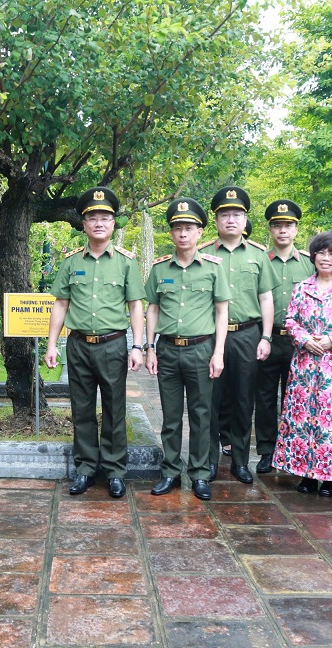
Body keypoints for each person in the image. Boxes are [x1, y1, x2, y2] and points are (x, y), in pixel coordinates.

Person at [45, 186, 145, 499]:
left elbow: (136, 306)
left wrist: (138, 346)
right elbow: (60, 304)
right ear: (84, 224)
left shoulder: (127, 263)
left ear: (114, 223)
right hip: (77, 346)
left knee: (115, 408)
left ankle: (115, 472)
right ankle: (86, 469)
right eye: (92, 218)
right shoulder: (71, 262)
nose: (98, 223)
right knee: (82, 408)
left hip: (113, 344)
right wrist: (51, 345)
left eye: (105, 217)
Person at [273, 230, 332, 496]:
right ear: (314, 256)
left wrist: (331, 340)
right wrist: (304, 339)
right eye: (321, 253)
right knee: (303, 419)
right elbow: (290, 321)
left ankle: (331, 478)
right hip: (305, 365)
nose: (326, 258)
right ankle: (305, 474)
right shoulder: (301, 288)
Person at [145, 198, 228, 501]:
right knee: (170, 416)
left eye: (189, 228)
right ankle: (170, 472)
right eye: (177, 228)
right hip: (167, 350)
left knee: (201, 414)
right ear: (171, 233)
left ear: (199, 232)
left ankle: (200, 474)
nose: (183, 233)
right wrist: (149, 347)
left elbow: (222, 312)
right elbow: (152, 309)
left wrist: (218, 352)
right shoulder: (159, 269)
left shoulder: (213, 269)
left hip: (200, 350)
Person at [200, 186, 278, 484]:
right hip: (210, 337)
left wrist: (266, 337)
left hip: (247, 335)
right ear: (216, 220)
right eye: (224, 215)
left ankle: (241, 461)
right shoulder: (204, 253)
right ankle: (208, 460)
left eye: (236, 214)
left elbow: (266, 299)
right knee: (210, 399)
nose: (230, 220)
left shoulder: (259, 255)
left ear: (245, 220)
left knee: (245, 400)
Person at [254, 199, 314, 480]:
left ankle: (293, 451)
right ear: (270, 230)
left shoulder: (309, 264)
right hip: (267, 337)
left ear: (296, 230)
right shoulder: (258, 260)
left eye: (288, 225)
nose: (282, 231)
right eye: (277, 225)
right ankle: (267, 450)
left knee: (296, 398)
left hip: (299, 342)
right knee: (264, 397)